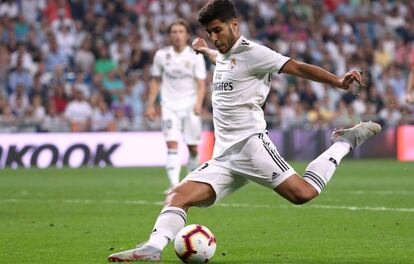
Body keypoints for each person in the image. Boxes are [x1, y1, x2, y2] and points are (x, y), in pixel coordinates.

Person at [108, 1, 381, 262]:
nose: (214, 37)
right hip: (224, 156)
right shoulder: (224, 55)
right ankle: (153, 248)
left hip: (252, 147)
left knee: (304, 193)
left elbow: (295, 67)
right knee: (179, 195)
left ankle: (344, 142)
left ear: (234, 24)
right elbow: (224, 62)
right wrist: (205, 51)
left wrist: (337, 81)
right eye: (209, 32)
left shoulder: (254, 53)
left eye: (218, 30)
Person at [144, 19, 207, 193]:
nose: (177, 35)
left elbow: (201, 83)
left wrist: (198, 104)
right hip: (169, 106)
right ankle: (174, 186)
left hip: (190, 106)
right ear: (169, 36)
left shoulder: (195, 55)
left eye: (181, 31)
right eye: (174, 32)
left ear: (186, 35)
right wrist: (150, 105)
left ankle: (191, 182)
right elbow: (155, 81)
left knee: (192, 147)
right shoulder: (161, 55)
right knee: (171, 144)